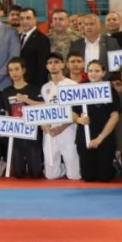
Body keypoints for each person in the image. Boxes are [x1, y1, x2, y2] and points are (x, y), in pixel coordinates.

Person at [73, 59, 119, 182]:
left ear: (103, 73)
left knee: (105, 177)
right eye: (90, 71)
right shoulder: (80, 88)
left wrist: (100, 138)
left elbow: (115, 116)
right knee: (88, 177)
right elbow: (72, 112)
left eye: (97, 71)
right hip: (85, 137)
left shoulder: (109, 90)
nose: (93, 74)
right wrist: (78, 119)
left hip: (104, 138)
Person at [40, 53, 80, 181]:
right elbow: (42, 110)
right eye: (50, 63)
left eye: (56, 62)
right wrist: (43, 124)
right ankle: (61, 168)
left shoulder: (72, 85)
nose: (53, 65)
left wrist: (62, 127)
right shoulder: (45, 88)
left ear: (63, 65)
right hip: (50, 131)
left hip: (68, 130)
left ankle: (70, 168)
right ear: (46, 66)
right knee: (51, 176)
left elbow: (77, 112)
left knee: (74, 176)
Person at [3, 57, 43, 178]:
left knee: (36, 174)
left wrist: (26, 100)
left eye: (17, 69)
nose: (14, 73)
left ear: (23, 70)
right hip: (16, 135)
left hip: (32, 134)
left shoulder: (34, 89)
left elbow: (43, 105)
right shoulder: (6, 92)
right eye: (11, 70)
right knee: (18, 174)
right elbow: (7, 113)